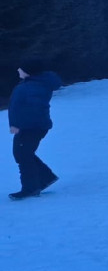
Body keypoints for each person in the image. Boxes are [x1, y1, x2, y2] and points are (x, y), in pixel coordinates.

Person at [7, 58, 61, 200]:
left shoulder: (28, 88)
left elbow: (21, 109)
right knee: (24, 153)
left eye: (21, 69)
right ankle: (45, 178)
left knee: (22, 155)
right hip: (36, 126)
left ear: (28, 72)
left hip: (29, 127)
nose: (18, 70)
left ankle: (31, 188)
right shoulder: (38, 84)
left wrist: (16, 124)